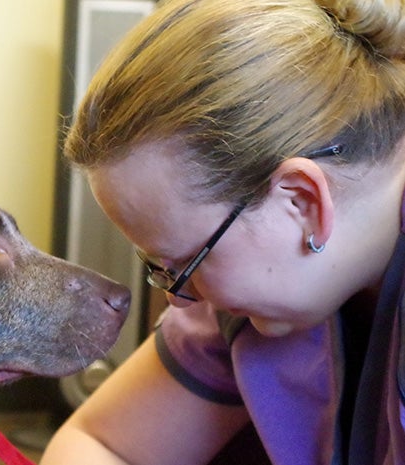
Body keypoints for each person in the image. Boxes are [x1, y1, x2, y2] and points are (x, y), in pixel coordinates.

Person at [39, 0, 405, 464]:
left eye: (187, 262)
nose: (177, 298)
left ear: (302, 201)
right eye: (161, 268)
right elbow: (101, 444)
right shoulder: (259, 294)